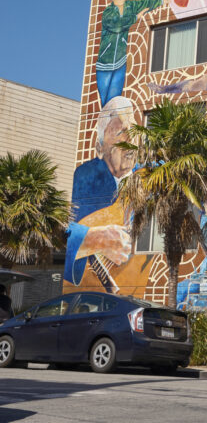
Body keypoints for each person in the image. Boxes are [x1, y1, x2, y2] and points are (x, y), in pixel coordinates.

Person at [65, 96, 137, 286]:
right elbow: (65, 228)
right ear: (99, 147)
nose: (130, 139)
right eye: (122, 132)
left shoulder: (150, 178)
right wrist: (91, 239)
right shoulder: (84, 177)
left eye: (134, 130)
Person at [97, 0, 162, 106]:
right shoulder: (107, 13)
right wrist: (137, 17)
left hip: (120, 63)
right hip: (104, 66)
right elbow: (118, 25)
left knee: (113, 103)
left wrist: (161, 1)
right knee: (104, 103)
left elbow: (145, 3)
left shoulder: (130, 6)